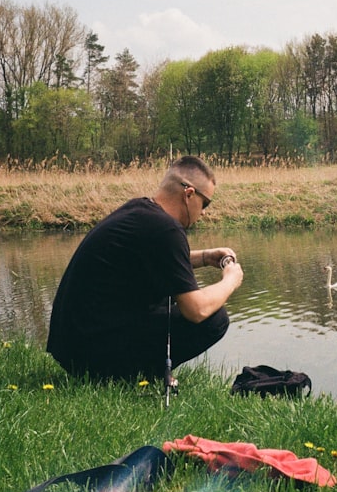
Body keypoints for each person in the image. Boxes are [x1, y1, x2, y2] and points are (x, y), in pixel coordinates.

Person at [46, 155, 243, 382]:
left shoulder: (141, 211)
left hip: (74, 347)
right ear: (189, 194)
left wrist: (206, 257)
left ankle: (145, 368)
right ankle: (138, 373)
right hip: (92, 356)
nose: (205, 212)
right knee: (214, 319)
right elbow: (196, 310)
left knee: (168, 293)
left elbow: (160, 261)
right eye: (205, 203)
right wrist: (230, 280)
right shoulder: (166, 229)